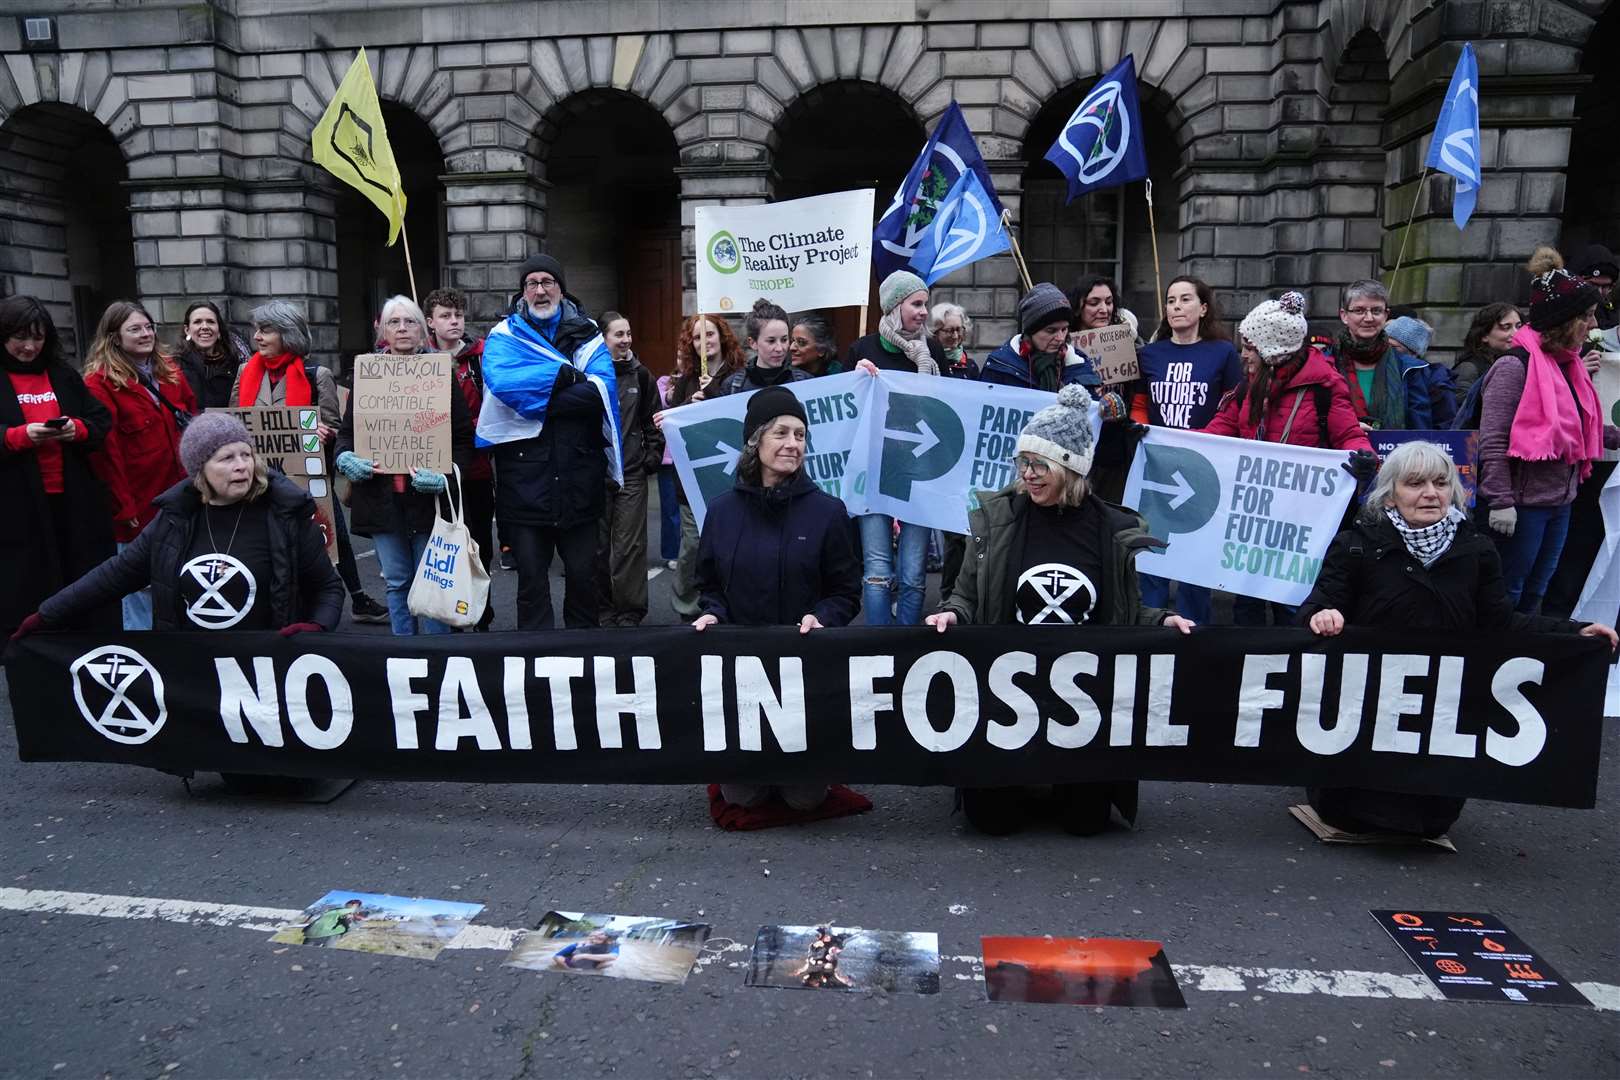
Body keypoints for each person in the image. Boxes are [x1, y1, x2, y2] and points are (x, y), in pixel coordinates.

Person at [1300, 440, 1617, 837]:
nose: (1430, 493)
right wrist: (1323, 615)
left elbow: (1500, 623)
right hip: (1368, 707)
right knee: (1351, 812)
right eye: (1415, 483)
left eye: (1440, 482)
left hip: (1441, 709)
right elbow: (1316, 608)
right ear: (1391, 495)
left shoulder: (1477, 550)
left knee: (1430, 820)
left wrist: (1575, 632)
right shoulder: (1356, 545)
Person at [925, 384, 1195, 835]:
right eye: (1023, 463)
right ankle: (1021, 780)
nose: (1027, 475)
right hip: (1008, 690)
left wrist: (1163, 621)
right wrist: (952, 613)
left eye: (1039, 465)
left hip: (1080, 694)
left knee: (1085, 822)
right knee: (991, 822)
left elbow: (1125, 612)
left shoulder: (1109, 531)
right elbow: (968, 596)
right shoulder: (1001, 522)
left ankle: (1056, 780)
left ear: (1069, 470)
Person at [17, 411, 344, 637]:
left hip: (266, 666)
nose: (241, 466)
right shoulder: (174, 520)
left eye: (246, 455)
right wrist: (46, 615)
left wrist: (315, 628)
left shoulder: (286, 514)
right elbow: (114, 577)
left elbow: (328, 587)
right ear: (200, 470)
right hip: (191, 667)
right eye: (227, 458)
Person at [693, 386, 860, 813]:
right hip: (744, 675)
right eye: (781, 433)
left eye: (800, 435)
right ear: (756, 441)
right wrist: (713, 615)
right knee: (743, 797)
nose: (793, 445)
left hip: (803, 672)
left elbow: (845, 591)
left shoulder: (828, 512)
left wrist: (823, 617)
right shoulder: (722, 511)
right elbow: (708, 584)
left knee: (803, 799)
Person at [1201, 291, 1377, 625]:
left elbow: (1348, 434)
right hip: (1255, 518)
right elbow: (1218, 431)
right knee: (1246, 606)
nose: (1243, 354)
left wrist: (1364, 458)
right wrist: (1167, 441)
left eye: (1250, 347)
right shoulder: (1249, 386)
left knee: (1293, 606)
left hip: (1300, 522)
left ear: (1272, 352)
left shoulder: (1325, 387)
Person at [477, 255, 621, 630]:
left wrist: (537, 399)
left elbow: (601, 392)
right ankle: (535, 666)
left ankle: (584, 664)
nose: (540, 290)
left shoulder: (588, 333)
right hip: (524, 488)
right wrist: (566, 376)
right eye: (531, 284)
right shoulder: (504, 337)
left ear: (560, 287)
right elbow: (505, 386)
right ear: (522, 292)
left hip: (580, 484)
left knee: (583, 582)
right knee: (531, 587)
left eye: (547, 282)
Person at [1477, 247, 1620, 613]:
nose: (1593, 324)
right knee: (1510, 591)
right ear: (1564, 319)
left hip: (1561, 500)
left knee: (1538, 589)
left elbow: (1579, 426)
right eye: (1586, 316)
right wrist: (1501, 501)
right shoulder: (1514, 367)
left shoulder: (1566, 364)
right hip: (1522, 506)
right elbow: (1492, 441)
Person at [336, 295, 473, 635]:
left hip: (428, 501)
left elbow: (462, 439)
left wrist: (446, 477)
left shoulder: (442, 375)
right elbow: (347, 434)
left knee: (434, 582)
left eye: (409, 321)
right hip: (382, 500)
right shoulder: (367, 375)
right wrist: (344, 457)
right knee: (397, 582)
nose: (402, 328)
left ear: (423, 328)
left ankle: (436, 660)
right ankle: (403, 657)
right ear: (383, 329)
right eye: (394, 322)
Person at [0, 296, 117, 636]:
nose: (28, 346)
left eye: (37, 337)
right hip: (17, 507)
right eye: (19, 337)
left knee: (78, 580)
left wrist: (75, 429)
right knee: (26, 585)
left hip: (73, 501)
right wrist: (17, 437)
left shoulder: (62, 375)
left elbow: (99, 419)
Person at [1131, 276, 1243, 625]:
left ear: (1203, 308)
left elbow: (1234, 406)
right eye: (1170, 300)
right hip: (1157, 469)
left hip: (1203, 471)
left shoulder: (1223, 353)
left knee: (1196, 560)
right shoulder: (1149, 354)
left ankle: (1196, 638)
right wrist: (1140, 426)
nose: (1176, 307)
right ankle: (1151, 632)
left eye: (1185, 299)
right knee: (1152, 555)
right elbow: (1138, 401)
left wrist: (1205, 439)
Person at [83, 299, 198, 630]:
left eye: (149, 327)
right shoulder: (99, 383)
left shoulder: (171, 372)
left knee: (184, 576)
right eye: (135, 329)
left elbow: (194, 421)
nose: (146, 334)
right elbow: (107, 454)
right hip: (138, 500)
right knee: (140, 586)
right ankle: (143, 656)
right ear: (115, 337)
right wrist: (123, 508)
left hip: (182, 491)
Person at [845, 271, 943, 625]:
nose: (923, 312)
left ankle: (906, 647)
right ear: (893, 305)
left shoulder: (931, 351)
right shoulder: (862, 349)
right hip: (874, 473)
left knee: (914, 572)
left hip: (918, 473)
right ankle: (877, 645)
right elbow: (846, 411)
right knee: (877, 569)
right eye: (916, 304)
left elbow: (946, 405)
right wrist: (855, 378)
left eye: (925, 304)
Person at [662, 313, 748, 621]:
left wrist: (712, 394)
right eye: (697, 337)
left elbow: (743, 416)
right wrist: (686, 406)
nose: (705, 341)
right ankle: (687, 607)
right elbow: (674, 425)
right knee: (694, 546)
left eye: (709, 334)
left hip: (730, 477)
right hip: (693, 479)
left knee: (730, 545)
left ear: (722, 336)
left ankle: (725, 607)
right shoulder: (685, 378)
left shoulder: (739, 375)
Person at [425, 286, 495, 630]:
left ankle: (482, 615)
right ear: (430, 322)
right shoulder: (418, 361)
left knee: (478, 546)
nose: (454, 321)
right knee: (443, 549)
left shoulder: (480, 358)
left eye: (458, 315)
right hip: (433, 471)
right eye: (445, 316)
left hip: (477, 469)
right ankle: (450, 617)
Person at [594, 310, 662, 626]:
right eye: (618, 334)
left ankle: (630, 611)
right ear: (603, 338)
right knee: (597, 546)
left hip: (632, 473)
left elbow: (652, 421)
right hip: (598, 474)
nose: (626, 340)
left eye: (628, 334)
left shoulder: (642, 375)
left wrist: (652, 457)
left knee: (630, 547)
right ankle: (602, 609)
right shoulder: (590, 375)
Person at [1325, 279, 1434, 431]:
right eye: (1359, 310)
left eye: (1376, 311)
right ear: (1344, 316)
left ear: (1386, 315)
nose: (1369, 318)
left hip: (1395, 453)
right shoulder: (1325, 363)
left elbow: (1420, 428)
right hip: (1337, 451)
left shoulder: (1410, 368)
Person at [979, 283, 1103, 391]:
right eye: (1051, 330)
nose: (1060, 338)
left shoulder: (1079, 362)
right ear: (1031, 331)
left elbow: (1092, 409)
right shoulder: (999, 365)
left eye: (1064, 329)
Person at [713, 299, 813, 396]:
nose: (779, 348)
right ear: (753, 343)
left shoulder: (806, 382)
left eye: (784, 340)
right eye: (771, 341)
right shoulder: (732, 387)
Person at [1384, 315, 1458, 428]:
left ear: (1414, 354)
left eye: (1393, 347)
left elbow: (1446, 423)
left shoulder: (1436, 380)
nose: (1386, 351)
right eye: (1383, 344)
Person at [176, 300, 243, 409]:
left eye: (210, 321)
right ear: (187, 330)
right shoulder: (175, 366)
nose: (205, 327)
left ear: (219, 329)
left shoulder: (235, 363)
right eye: (197, 322)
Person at [1450, 303, 1523, 397]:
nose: (1516, 333)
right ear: (1484, 335)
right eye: (1506, 327)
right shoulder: (1469, 368)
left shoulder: (1520, 361)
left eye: (1519, 326)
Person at [789, 312, 844, 377]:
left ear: (821, 350)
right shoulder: (784, 375)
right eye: (791, 341)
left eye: (801, 342)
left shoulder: (839, 375)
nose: (791, 348)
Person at [929, 302, 976, 377]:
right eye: (949, 330)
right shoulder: (925, 363)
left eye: (958, 329)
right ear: (934, 332)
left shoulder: (971, 367)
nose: (955, 336)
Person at [1578, 243, 1618, 330]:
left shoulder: (1610, 313)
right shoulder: (1561, 313)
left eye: (1605, 287)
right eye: (1592, 285)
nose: (1598, 292)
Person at [553, 929, 620, 971]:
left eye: (602, 935)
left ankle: (593, 970)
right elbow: (556, 956)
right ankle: (570, 970)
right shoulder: (577, 945)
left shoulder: (612, 945)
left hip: (592, 964)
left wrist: (584, 955)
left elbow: (613, 957)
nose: (595, 937)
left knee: (609, 963)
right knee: (558, 958)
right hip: (573, 963)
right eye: (593, 936)